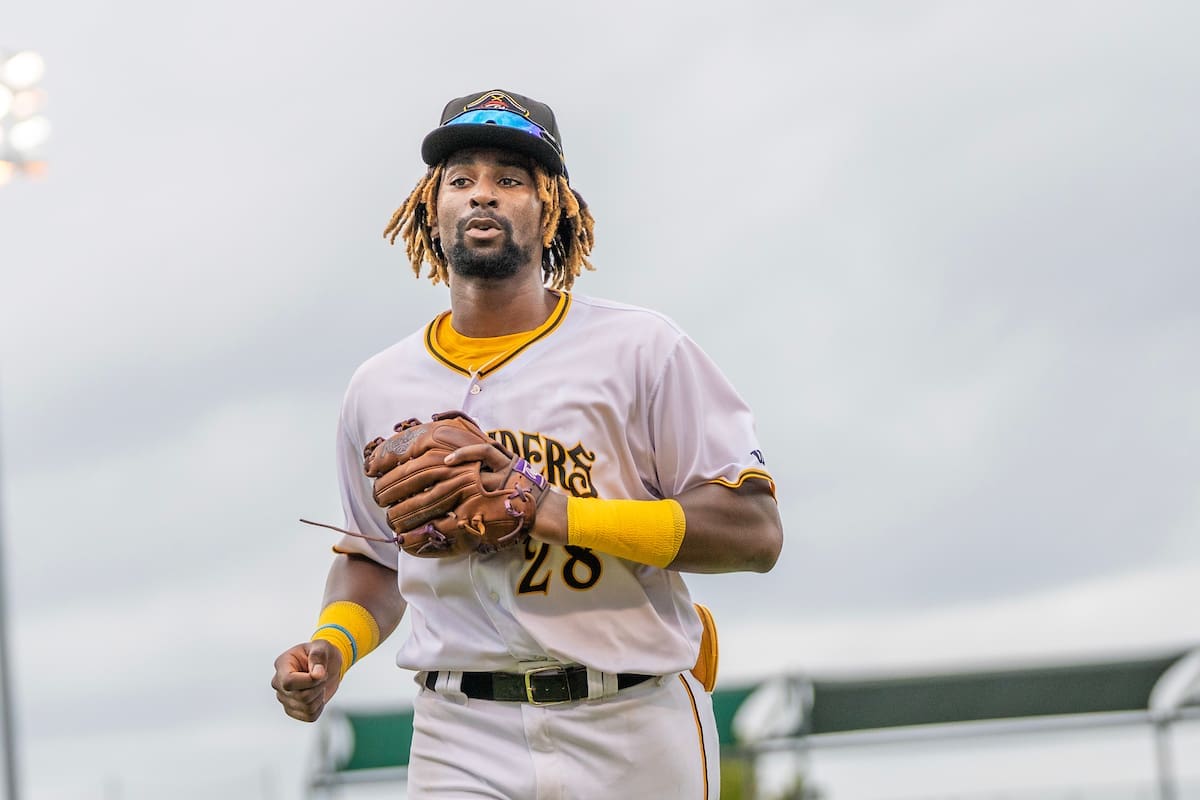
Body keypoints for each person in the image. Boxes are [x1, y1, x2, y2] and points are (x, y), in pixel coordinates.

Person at [271, 89, 784, 798]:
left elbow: (754, 532)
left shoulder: (641, 349)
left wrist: (551, 509)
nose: (484, 194)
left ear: (553, 214)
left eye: (511, 179)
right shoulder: (379, 386)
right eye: (461, 180)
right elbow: (375, 561)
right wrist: (331, 646)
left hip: (630, 718)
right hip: (462, 729)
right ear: (432, 210)